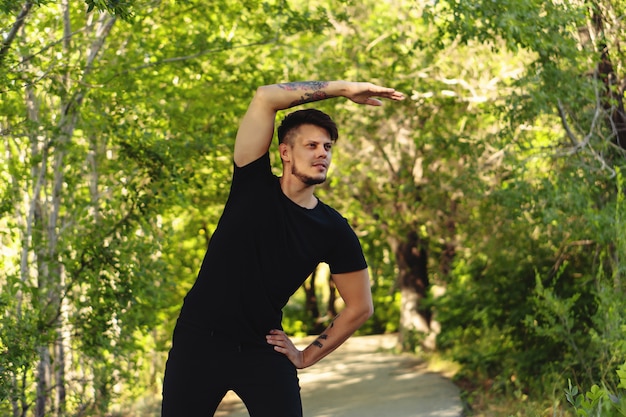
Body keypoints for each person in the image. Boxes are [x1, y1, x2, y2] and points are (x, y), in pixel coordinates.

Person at [161, 80, 405, 417]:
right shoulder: (251, 182)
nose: (322, 152)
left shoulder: (334, 229)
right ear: (285, 152)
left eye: (328, 146)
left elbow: (360, 306)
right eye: (311, 145)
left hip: (263, 348)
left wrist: (306, 355)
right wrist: (345, 89)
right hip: (199, 341)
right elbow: (265, 97)